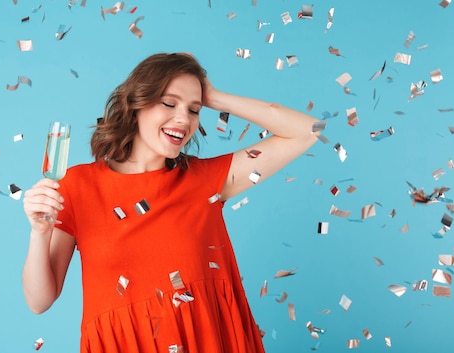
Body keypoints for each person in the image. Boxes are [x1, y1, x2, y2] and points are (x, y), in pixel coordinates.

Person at [22, 52, 320, 353]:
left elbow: (308, 131)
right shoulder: (78, 186)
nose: (183, 119)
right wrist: (39, 233)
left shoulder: (206, 181)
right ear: (137, 104)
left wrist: (215, 97)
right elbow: (39, 301)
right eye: (169, 103)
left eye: (194, 110)